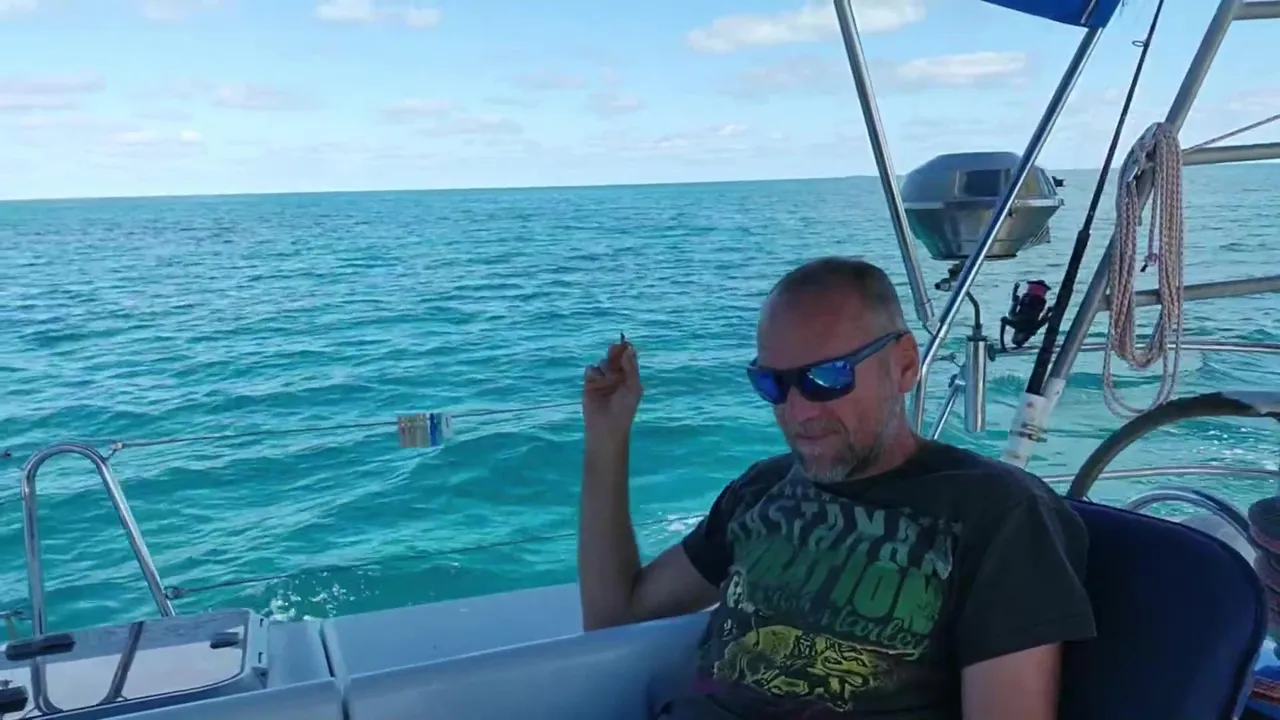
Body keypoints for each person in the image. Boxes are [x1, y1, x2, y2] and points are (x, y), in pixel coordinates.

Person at [577, 256, 1096, 720]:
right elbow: (617, 616)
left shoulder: (1001, 513)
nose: (798, 411)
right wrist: (607, 434)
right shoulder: (762, 487)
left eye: (828, 377)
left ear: (905, 365)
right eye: (772, 384)